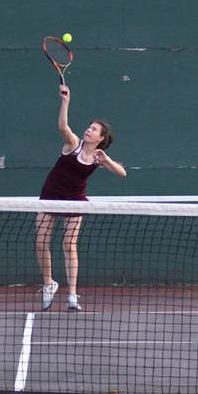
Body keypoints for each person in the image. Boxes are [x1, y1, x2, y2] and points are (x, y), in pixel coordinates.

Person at [36, 84, 126, 311]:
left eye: (94, 129)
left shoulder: (98, 156)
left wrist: (106, 159)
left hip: (75, 200)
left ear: (101, 138)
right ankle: (49, 284)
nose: (89, 130)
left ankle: (72, 295)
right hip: (51, 196)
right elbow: (62, 126)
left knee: (69, 244)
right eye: (89, 127)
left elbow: (121, 173)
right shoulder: (72, 144)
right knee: (41, 241)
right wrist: (65, 101)